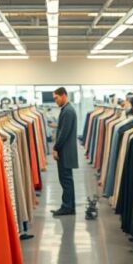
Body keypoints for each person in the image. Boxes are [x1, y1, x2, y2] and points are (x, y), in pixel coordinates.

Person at [51, 87, 79, 216]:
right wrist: (57, 125)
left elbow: (64, 133)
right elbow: (64, 127)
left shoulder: (67, 111)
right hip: (67, 151)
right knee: (67, 180)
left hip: (65, 151)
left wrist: (56, 147)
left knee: (65, 180)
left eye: (56, 98)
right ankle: (68, 206)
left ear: (63, 95)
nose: (55, 101)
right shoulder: (67, 109)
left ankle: (67, 207)